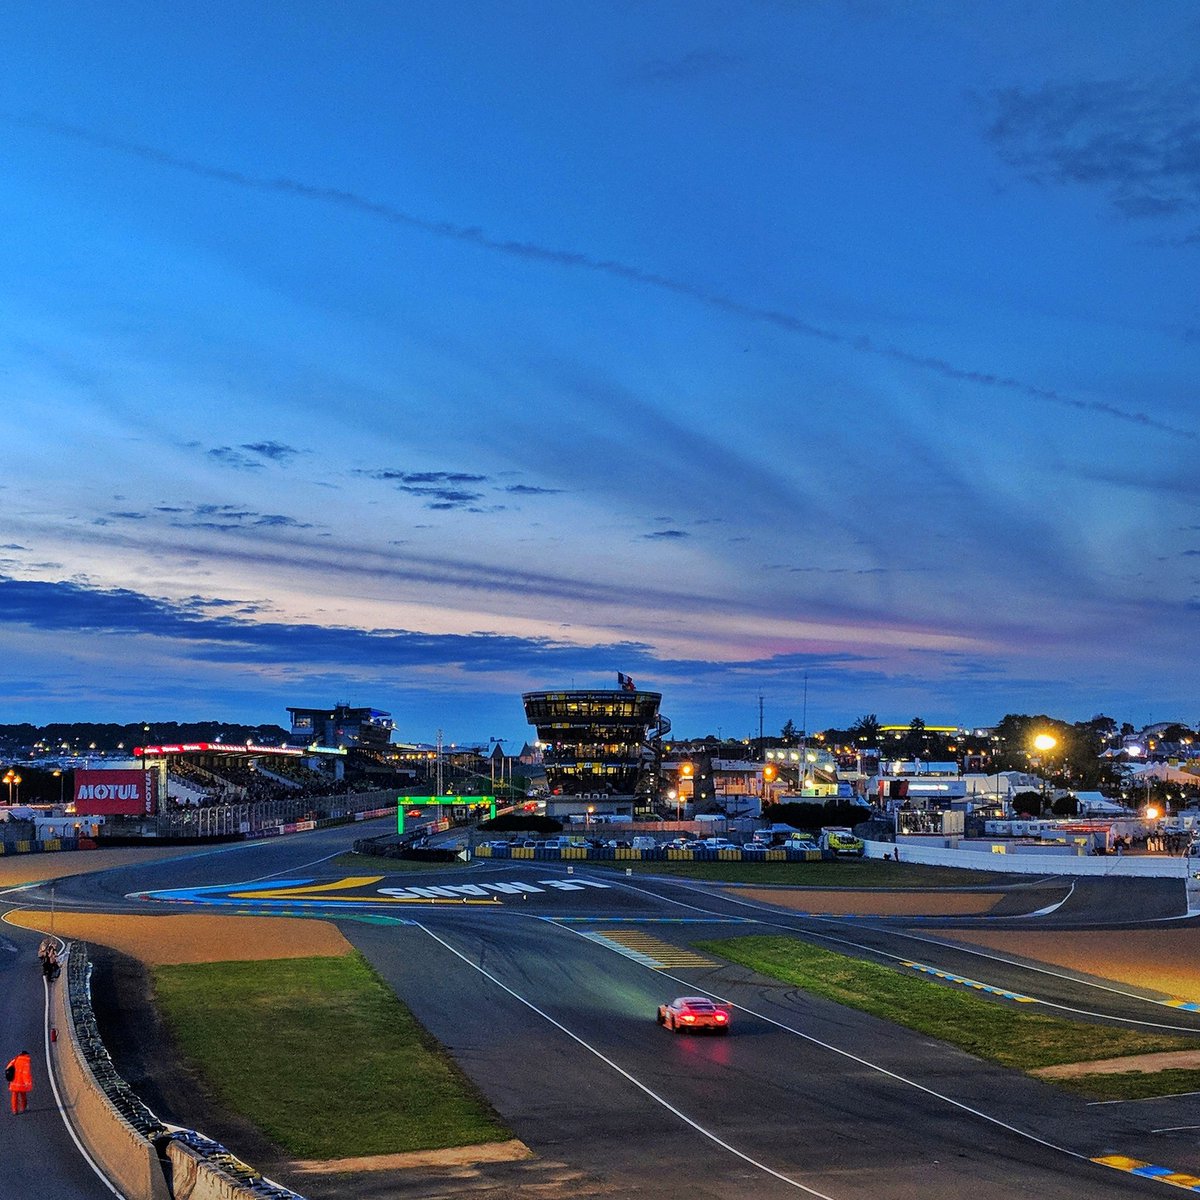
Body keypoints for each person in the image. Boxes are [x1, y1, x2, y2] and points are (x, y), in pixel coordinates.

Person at [6, 1050, 32, 1115]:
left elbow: (8, 1067)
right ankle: (24, 1107)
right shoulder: (26, 1062)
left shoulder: (15, 1059)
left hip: (14, 1081)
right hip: (21, 1083)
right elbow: (26, 1073)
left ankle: (14, 1110)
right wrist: (28, 1083)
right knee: (23, 1095)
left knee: (14, 1096)